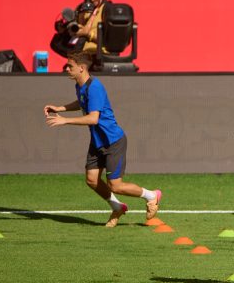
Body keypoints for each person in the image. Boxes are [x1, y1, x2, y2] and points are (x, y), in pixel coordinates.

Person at [43, 52, 161, 227]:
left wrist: (65, 120)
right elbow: (82, 102)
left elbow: (93, 119)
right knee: (92, 179)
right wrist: (60, 108)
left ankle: (152, 196)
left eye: (70, 66)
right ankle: (117, 207)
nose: (66, 69)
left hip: (113, 141)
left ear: (81, 68)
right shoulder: (80, 86)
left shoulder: (95, 87)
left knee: (116, 186)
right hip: (97, 142)